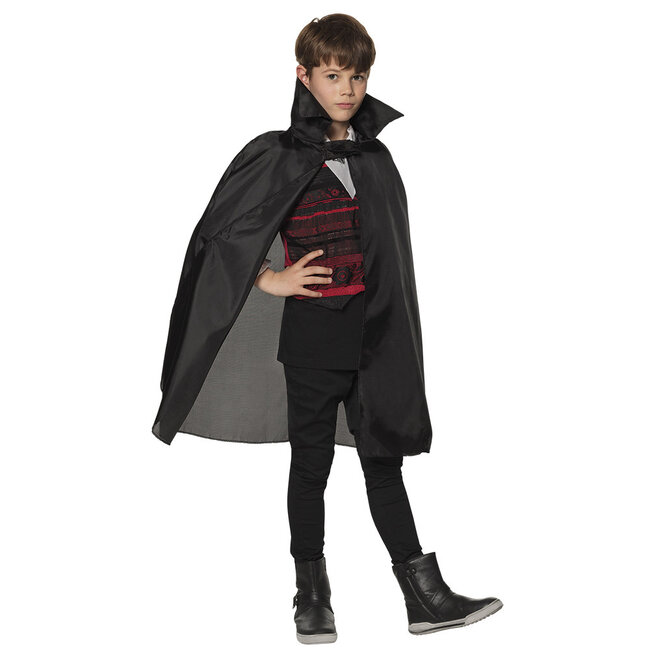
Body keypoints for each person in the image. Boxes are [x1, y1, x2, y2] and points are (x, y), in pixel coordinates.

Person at [152, 13, 503, 645]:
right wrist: (269, 279)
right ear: (304, 75)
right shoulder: (275, 154)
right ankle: (312, 596)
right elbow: (218, 236)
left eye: (357, 76)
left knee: (383, 464)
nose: (346, 89)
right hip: (314, 339)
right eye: (333, 75)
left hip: (377, 339)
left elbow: (394, 262)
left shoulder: (376, 159)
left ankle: (424, 597)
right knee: (310, 466)